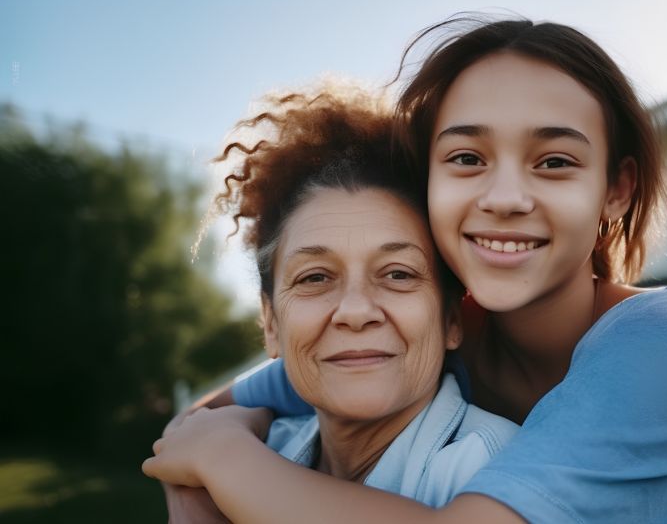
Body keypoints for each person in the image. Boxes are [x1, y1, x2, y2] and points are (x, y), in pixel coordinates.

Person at [144, 17, 667, 523]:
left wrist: (226, 464)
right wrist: (201, 474)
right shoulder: (429, 328)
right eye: (467, 156)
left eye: (555, 161)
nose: (505, 197)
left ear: (616, 190)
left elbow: (209, 444)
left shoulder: (665, 336)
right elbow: (207, 418)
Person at [150, 87, 518, 518]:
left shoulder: (496, 473)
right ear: (271, 325)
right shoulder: (264, 447)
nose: (356, 311)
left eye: (398, 274)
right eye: (316, 278)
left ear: (451, 318)